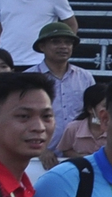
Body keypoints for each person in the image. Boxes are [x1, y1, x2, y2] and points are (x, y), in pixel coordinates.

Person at [27, 20, 93, 164]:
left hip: (78, 156)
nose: (63, 46)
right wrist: (40, 150)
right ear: (42, 46)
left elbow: (94, 115)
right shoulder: (28, 78)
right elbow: (22, 119)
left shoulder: (85, 77)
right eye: (56, 42)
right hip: (39, 158)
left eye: (68, 42)